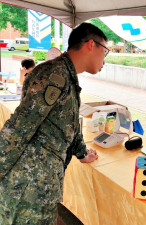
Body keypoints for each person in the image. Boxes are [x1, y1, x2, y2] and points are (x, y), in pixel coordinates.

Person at [0, 22, 109, 224]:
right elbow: (18, 128)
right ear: (91, 45)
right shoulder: (55, 75)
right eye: (106, 50)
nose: (105, 59)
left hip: (41, 184)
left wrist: (82, 152)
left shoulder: (66, 75)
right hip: (28, 188)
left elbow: (67, 123)